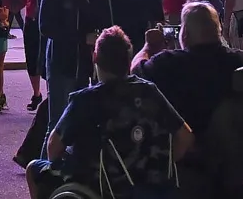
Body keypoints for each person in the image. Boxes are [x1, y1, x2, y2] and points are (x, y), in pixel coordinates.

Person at [25, 26, 188, 199]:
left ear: (95, 57)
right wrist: (158, 167)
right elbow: (186, 137)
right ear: (128, 59)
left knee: (33, 169)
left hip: (101, 187)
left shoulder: (85, 100)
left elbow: (54, 146)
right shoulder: (149, 91)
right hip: (148, 185)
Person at [132, 1, 243, 135]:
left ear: (185, 34)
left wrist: (148, 47)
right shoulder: (240, 60)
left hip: (188, 150)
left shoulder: (168, 62)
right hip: (234, 147)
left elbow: (136, 71)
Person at [38, 0, 111, 130]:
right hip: (61, 61)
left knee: (75, 122)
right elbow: (46, 26)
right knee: (57, 124)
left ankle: (66, 160)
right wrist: (82, 37)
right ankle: (48, 161)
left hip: (81, 64)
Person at [20, 0, 50, 110]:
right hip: (31, 18)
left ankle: (48, 93)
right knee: (31, 56)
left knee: (46, 56)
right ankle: (36, 93)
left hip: (46, 19)